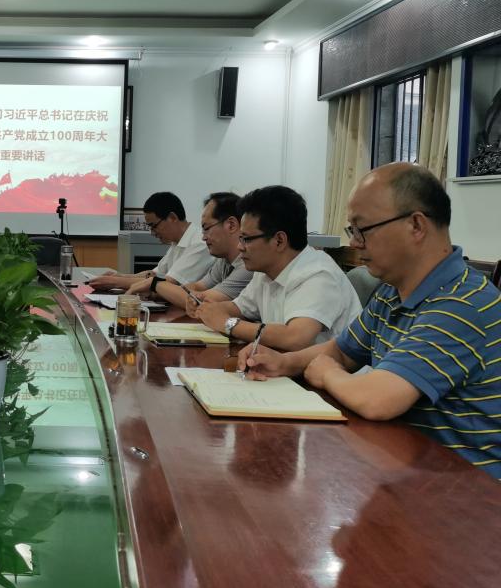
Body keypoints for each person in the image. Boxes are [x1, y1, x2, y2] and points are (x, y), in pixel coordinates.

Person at [242, 163, 501, 478]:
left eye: (362, 229)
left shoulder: (462, 303)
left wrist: (327, 374)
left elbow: (377, 399)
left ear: (416, 225)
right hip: (403, 463)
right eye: (352, 230)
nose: (354, 243)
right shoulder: (392, 291)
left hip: (468, 488)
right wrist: (283, 363)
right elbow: (343, 351)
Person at [195, 185, 360, 350]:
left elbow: (295, 338)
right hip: (284, 363)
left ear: (279, 240)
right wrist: (209, 309)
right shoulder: (265, 271)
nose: (239, 247)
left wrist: (228, 323)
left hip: (327, 366)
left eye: (246, 239)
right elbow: (239, 307)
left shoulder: (318, 274)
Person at [130, 192, 252, 308]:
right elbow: (196, 287)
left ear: (231, 225)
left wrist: (155, 284)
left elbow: (201, 302)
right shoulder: (223, 262)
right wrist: (155, 293)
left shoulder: (247, 265)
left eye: (206, 228)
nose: (203, 237)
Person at [88, 191, 213, 292]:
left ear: (172, 218)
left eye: (154, 226)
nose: (152, 233)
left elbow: (168, 283)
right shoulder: (177, 242)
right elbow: (154, 274)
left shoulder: (200, 244)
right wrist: (119, 276)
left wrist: (114, 282)